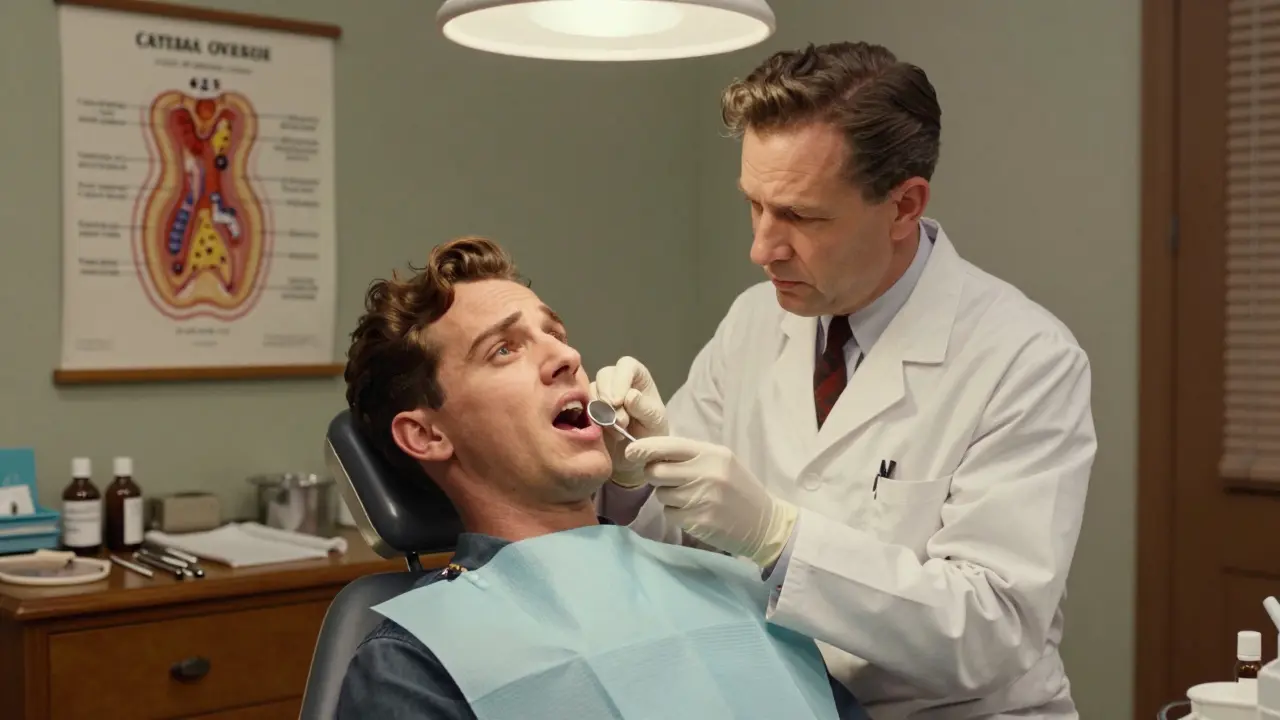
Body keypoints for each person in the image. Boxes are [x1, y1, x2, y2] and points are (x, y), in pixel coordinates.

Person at [592, 41, 1096, 719]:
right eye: (754, 205)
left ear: (904, 206)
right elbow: (684, 546)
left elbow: (992, 628)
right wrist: (633, 480)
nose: (762, 248)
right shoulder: (753, 323)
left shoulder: (1025, 359)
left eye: (800, 216)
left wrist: (779, 537)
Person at [334, 236, 868, 720]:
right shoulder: (415, 664)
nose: (566, 357)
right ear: (426, 436)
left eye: (555, 333)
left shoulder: (737, 585)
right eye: (504, 350)